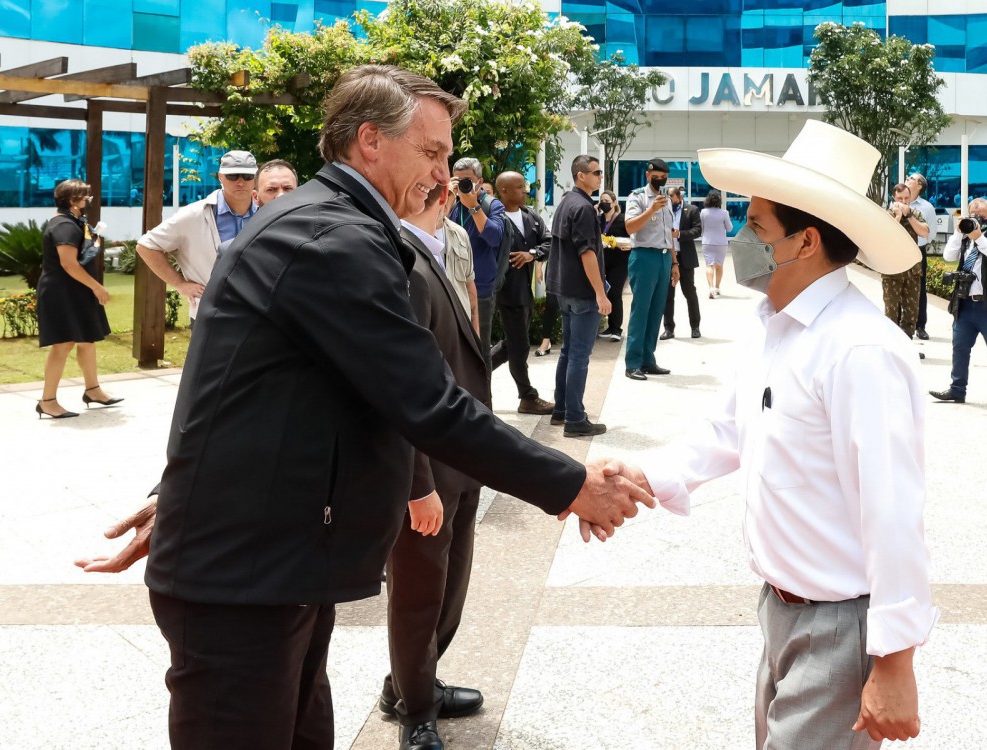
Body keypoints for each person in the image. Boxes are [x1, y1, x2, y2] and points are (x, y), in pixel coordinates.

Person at [74, 65, 652, 750]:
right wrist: (572, 484)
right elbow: (428, 405)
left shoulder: (330, 226)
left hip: (273, 560)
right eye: (432, 152)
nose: (443, 176)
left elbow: (255, 389)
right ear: (370, 141)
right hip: (245, 574)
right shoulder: (330, 239)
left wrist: (187, 493)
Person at [605, 121, 937, 749]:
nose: (736, 239)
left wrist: (895, 662)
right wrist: (644, 478)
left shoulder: (860, 349)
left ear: (805, 241)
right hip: (782, 610)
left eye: (754, 227)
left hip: (840, 625)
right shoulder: (776, 326)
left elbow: (892, 511)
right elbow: (729, 430)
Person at [382, 183, 491, 750]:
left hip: (459, 457)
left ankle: (405, 684)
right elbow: (402, 387)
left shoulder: (430, 249)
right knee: (421, 591)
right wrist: (417, 483)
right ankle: (416, 712)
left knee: (449, 587)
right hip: (430, 468)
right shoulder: (403, 261)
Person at [135, 150, 258, 321]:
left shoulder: (267, 213)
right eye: (233, 176)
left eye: (246, 176)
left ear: (255, 178)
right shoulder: (194, 214)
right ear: (220, 177)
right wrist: (179, 284)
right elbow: (146, 245)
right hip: (211, 314)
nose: (240, 182)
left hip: (257, 313)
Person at [35, 180, 121, 419]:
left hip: (75, 291)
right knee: (62, 344)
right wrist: (97, 287)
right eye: (86, 197)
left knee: (87, 340)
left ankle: (93, 390)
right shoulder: (63, 225)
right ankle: (48, 400)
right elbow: (69, 263)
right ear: (73, 201)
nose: (89, 201)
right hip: (62, 293)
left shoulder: (73, 222)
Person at [930, 198, 987, 411]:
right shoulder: (966, 235)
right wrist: (960, 232)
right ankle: (957, 389)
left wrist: (980, 239)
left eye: (982, 216)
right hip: (965, 303)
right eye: (973, 215)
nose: (977, 219)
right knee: (959, 348)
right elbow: (948, 256)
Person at [547, 155, 610, 437]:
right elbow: (587, 253)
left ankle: (562, 410)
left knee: (568, 352)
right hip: (582, 292)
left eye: (600, 173)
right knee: (578, 356)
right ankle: (574, 418)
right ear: (580, 175)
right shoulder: (582, 207)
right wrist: (601, 293)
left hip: (564, 289)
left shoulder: (566, 203)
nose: (600, 177)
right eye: (596, 173)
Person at [492, 171, 556, 415]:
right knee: (519, 347)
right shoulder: (494, 218)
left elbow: (550, 242)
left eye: (524, 186)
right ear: (504, 191)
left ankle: (473, 374)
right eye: (519, 187)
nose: (525, 191)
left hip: (525, 292)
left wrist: (532, 253)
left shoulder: (531, 216)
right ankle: (527, 397)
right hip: (505, 292)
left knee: (512, 345)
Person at [623, 158, 677, 380]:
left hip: (664, 258)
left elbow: (669, 234)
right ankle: (632, 363)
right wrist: (651, 209)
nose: (660, 180)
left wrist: (675, 263)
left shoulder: (668, 201)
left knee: (656, 312)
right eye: (656, 177)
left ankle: (648, 359)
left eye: (664, 177)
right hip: (644, 257)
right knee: (641, 311)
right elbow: (630, 227)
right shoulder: (638, 196)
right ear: (648, 175)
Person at [449, 156, 506, 364]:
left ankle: (484, 398)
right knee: (454, 350)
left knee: (481, 352)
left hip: (480, 289)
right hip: (453, 288)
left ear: (480, 182)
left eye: (468, 180)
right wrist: (448, 197)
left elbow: (494, 237)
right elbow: (435, 229)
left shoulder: (492, 205)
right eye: (458, 180)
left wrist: (473, 207)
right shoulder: (453, 205)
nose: (464, 185)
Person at [882, 182, 929, 340]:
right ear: (893, 198)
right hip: (892, 271)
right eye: (900, 198)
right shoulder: (886, 214)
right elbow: (886, 235)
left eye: (906, 198)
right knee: (891, 313)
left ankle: (907, 345)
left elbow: (924, 232)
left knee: (911, 313)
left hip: (912, 270)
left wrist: (909, 216)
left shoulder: (915, 213)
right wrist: (897, 217)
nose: (903, 201)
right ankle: (891, 346)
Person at [661, 187, 702, 339]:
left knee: (690, 293)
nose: (669, 199)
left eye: (671, 196)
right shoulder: (664, 210)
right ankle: (669, 329)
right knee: (667, 296)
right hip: (667, 258)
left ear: (678, 196)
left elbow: (698, 230)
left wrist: (680, 234)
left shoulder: (691, 210)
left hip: (685, 258)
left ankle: (695, 327)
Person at [904, 173, 938, 340]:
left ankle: (920, 325)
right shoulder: (896, 202)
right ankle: (897, 323)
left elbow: (930, 233)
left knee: (920, 288)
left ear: (919, 186)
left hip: (918, 251)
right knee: (897, 285)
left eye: (911, 178)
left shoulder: (926, 207)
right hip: (899, 250)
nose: (907, 178)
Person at [597, 189, 629, 341]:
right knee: (604, 293)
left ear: (614, 203)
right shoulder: (598, 219)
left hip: (619, 262)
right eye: (601, 201)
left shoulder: (623, 219)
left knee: (615, 293)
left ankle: (616, 328)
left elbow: (632, 239)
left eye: (607, 201)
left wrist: (618, 242)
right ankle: (608, 325)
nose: (604, 204)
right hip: (602, 261)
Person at [438, 210, 477, 329]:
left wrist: (476, 337)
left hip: (460, 330)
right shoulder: (404, 231)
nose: (443, 199)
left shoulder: (460, 233)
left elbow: (469, 285)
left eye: (450, 193)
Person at [700, 189, 732, 299]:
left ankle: (711, 288)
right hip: (721, 243)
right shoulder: (724, 213)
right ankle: (717, 288)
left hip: (707, 242)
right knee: (719, 266)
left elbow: (701, 228)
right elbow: (729, 228)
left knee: (709, 265)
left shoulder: (703, 212)